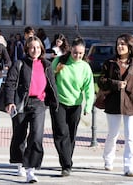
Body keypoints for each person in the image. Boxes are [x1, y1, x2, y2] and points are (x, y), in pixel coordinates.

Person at [3, 36, 59, 183]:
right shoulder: (20, 63)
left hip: (39, 104)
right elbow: (10, 83)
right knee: (19, 135)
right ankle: (20, 161)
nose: (35, 50)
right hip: (21, 103)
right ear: (27, 49)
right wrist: (10, 102)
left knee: (36, 136)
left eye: (38, 48)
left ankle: (31, 170)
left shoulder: (47, 64)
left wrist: (55, 103)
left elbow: (52, 85)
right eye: (32, 47)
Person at [97, 33, 133, 177]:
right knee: (113, 134)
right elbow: (101, 81)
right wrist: (116, 84)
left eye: (123, 44)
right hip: (113, 103)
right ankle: (108, 159)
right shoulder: (109, 63)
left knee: (130, 136)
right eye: (118, 44)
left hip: (131, 104)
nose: (120, 46)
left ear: (130, 46)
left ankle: (130, 167)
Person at [50, 37, 95, 177]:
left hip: (75, 105)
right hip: (59, 103)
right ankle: (66, 165)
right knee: (61, 133)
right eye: (75, 52)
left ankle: (66, 161)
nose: (78, 56)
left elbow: (89, 87)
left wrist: (88, 106)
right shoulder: (60, 61)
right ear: (71, 50)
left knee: (70, 135)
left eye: (81, 53)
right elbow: (49, 78)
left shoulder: (85, 67)